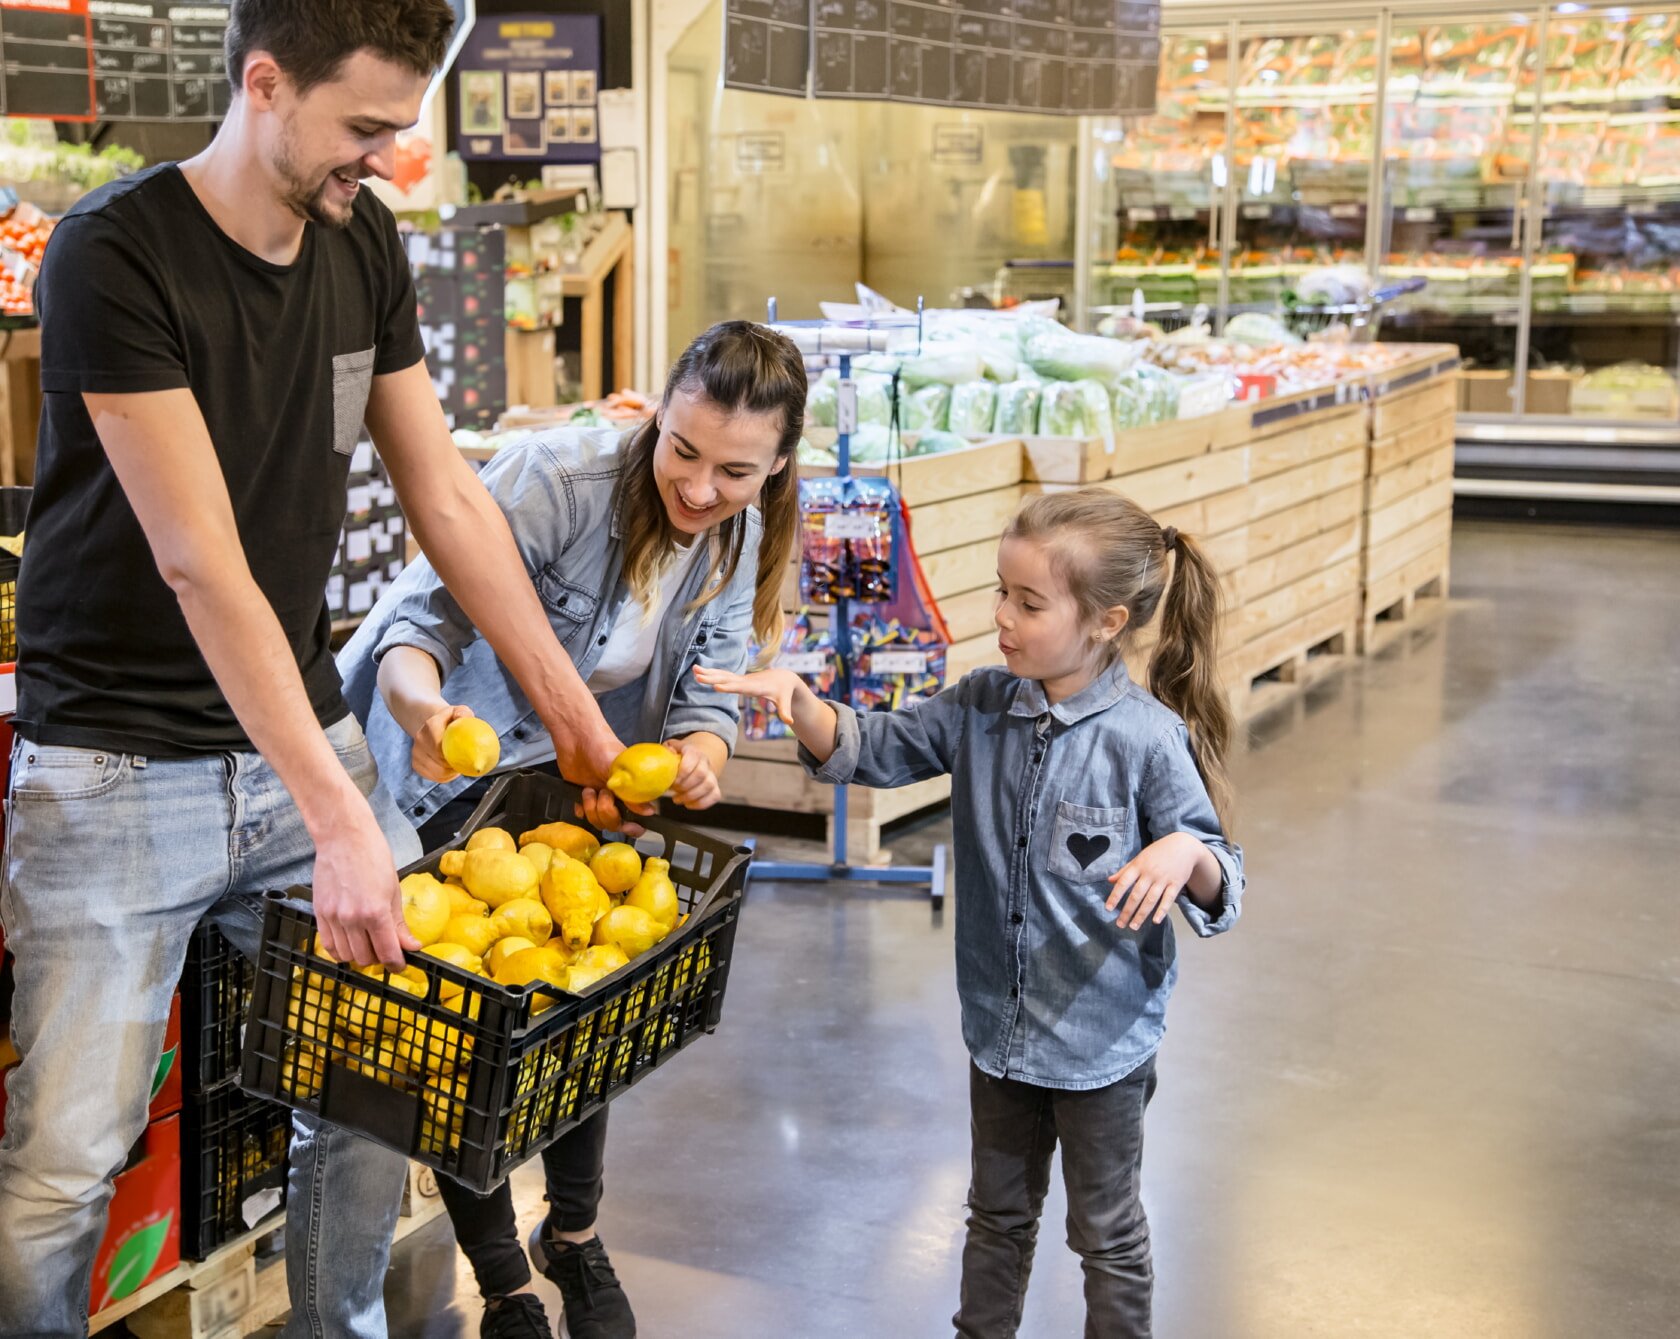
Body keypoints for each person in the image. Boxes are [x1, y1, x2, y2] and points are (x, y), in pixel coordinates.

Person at [0, 2, 643, 1334]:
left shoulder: (364, 243)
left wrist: (578, 723)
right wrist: (345, 817)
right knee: (71, 1152)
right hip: (116, 761)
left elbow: (449, 502)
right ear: (266, 83)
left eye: (403, 130)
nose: (390, 160)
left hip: (292, 730)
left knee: (371, 1087)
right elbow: (203, 562)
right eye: (364, 128)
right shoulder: (112, 253)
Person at [337, 320, 805, 1339]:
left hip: (573, 780)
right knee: (466, 1028)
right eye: (682, 451)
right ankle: (503, 1279)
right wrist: (428, 716)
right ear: (656, 419)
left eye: (735, 471)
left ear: (775, 468)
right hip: (445, 768)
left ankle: (576, 1235)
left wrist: (700, 759)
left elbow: (710, 691)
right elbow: (417, 626)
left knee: (583, 999)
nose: (698, 488)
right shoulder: (557, 478)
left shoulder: (741, 527)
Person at [698, 488, 1246, 1339]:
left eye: (1028, 603)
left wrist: (1189, 853)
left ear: (1107, 621)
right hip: (999, 1034)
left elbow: (1226, 881)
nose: (1001, 616)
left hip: (1102, 1049)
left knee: (1105, 1233)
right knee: (996, 1214)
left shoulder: (1146, 738)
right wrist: (805, 706)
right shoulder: (982, 704)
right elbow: (879, 749)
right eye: (1001, 590)